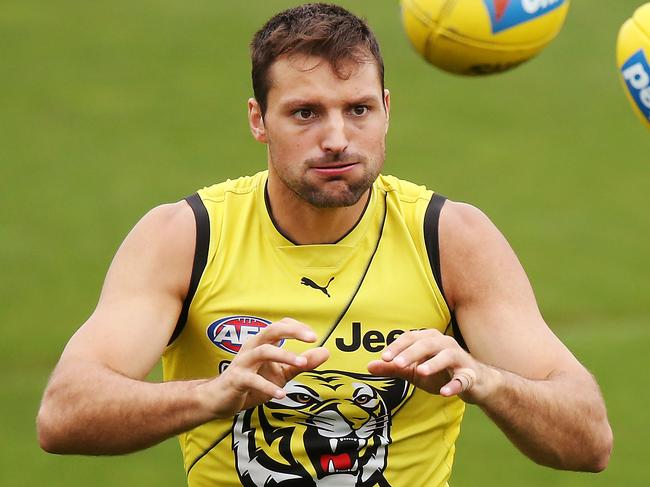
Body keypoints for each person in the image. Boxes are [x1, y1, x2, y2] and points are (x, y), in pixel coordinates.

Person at [37, 3, 612, 486]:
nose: (336, 139)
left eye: (357, 110)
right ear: (259, 120)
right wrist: (216, 394)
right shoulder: (185, 237)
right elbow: (64, 414)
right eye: (305, 113)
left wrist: (482, 379)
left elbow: (589, 440)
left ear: (387, 111)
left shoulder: (450, 238)